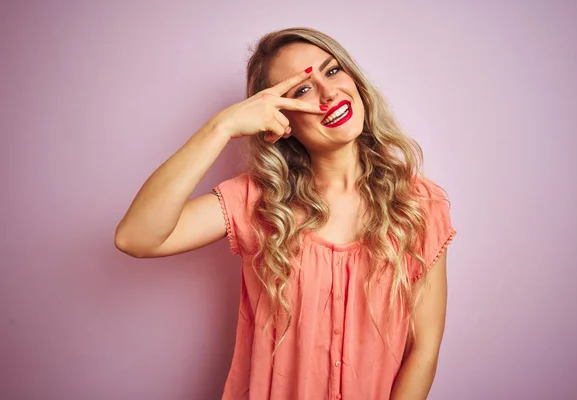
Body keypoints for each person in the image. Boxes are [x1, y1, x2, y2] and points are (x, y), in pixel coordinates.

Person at [115, 27, 456, 400]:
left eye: (332, 70)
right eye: (302, 90)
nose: (329, 93)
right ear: (281, 119)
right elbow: (136, 238)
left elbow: (423, 349)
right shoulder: (259, 202)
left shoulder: (418, 203)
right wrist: (222, 126)